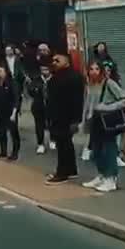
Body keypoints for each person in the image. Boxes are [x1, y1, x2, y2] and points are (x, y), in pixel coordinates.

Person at [84, 61, 125, 193]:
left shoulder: (109, 83)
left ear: (102, 70)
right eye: (91, 69)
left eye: (97, 69)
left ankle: (111, 179)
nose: (94, 72)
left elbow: (124, 100)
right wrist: (85, 120)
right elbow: (87, 104)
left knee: (109, 150)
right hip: (94, 120)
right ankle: (102, 175)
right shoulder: (89, 85)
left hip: (107, 120)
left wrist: (107, 107)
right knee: (96, 151)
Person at [45, 53, 84, 184]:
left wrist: (76, 120)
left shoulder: (74, 77)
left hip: (66, 117)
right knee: (66, 143)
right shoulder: (56, 76)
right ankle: (71, 170)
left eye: (57, 60)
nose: (54, 62)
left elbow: (78, 100)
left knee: (62, 145)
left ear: (67, 61)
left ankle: (62, 173)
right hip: (56, 116)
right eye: (53, 60)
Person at [0, 64, 20, 161]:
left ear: (6, 72)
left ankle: (15, 153)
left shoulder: (12, 83)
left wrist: (14, 112)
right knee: (1, 132)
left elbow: (16, 99)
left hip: (10, 111)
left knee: (13, 133)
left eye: (1, 71)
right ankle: (3, 152)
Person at [29, 63, 51, 155]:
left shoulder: (54, 79)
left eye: (46, 69)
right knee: (39, 125)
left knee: (52, 123)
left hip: (52, 106)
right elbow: (30, 91)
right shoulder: (36, 79)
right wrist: (35, 90)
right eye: (43, 69)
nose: (44, 71)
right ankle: (40, 144)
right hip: (38, 106)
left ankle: (53, 139)